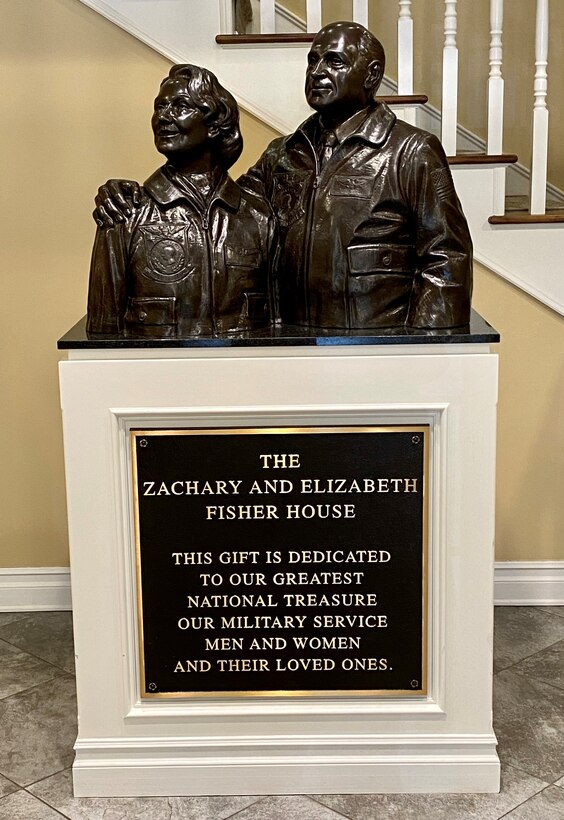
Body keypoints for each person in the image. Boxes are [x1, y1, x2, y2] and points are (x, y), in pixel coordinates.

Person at [95, 22, 472, 330]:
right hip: (293, 343)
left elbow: (447, 256)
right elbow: (227, 211)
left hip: (378, 342)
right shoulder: (284, 154)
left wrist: (426, 347)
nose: (318, 71)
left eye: (334, 61)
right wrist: (128, 194)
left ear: (371, 75)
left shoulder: (409, 151)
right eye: (312, 61)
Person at [87, 64, 273, 337]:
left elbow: (279, 328)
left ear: (214, 125)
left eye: (180, 106)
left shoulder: (259, 218)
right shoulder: (125, 215)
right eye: (160, 107)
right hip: (154, 378)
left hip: (243, 377)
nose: (163, 117)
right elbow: (103, 334)